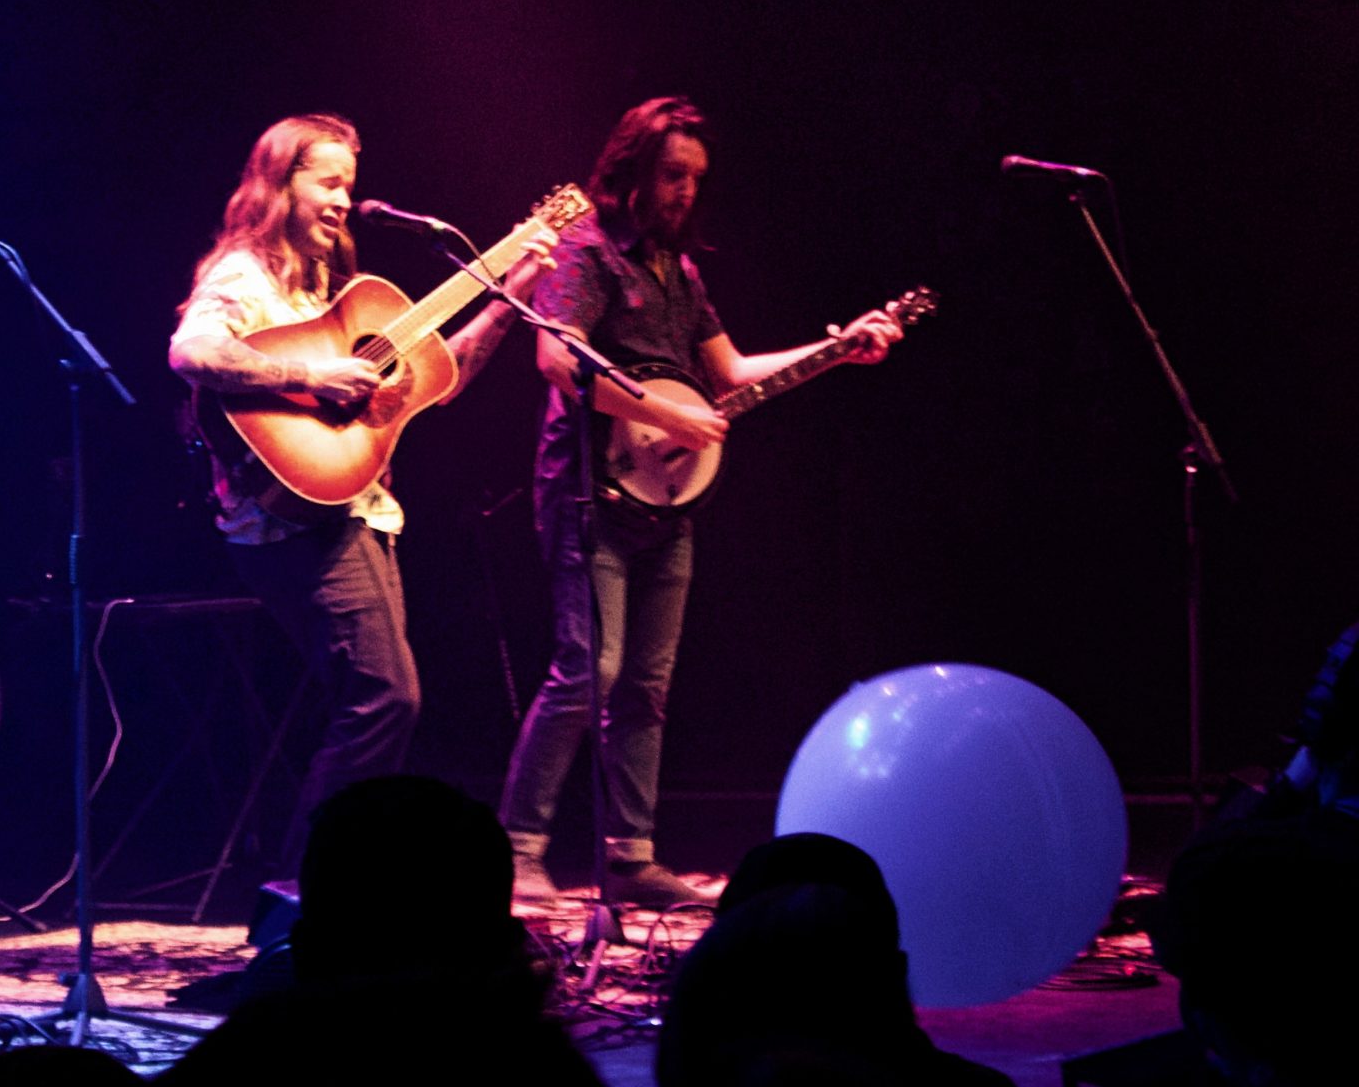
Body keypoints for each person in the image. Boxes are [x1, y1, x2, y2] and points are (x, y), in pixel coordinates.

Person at [498, 97, 903, 907]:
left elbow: (733, 373)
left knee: (647, 682)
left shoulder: (680, 273)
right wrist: (661, 413)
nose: (685, 191)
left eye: (696, 179)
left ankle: (631, 856)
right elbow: (554, 360)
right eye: (672, 174)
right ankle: (518, 849)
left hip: (667, 499)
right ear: (632, 171)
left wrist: (836, 350)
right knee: (589, 667)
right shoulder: (587, 253)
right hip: (587, 486)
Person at [168, 114, 553, 863]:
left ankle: (336, 885)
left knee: (378, 704)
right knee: (386, 699)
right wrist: (310, 374)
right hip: (290, 522)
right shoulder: (245, 273)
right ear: (282, 185)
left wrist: (508, 296)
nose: (345, 200)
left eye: (351, 184)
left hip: (357, 510)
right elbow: (191, 350)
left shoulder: (335, 291)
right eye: (329, 181)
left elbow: (439, 379)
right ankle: (302, 896)